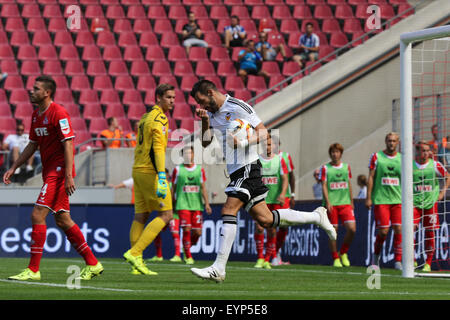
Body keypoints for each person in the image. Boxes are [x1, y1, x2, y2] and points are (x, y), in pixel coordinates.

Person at [189, 79, 336, 282]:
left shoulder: (238, 106)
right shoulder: (212, 114)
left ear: (211, 92)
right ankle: (317, 217)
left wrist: (242, 143)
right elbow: (205, 142)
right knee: (266, 219)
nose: (201, 105)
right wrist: (205, 119)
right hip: (236, 171)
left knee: (228, 210)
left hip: (247, 167)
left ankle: (219, 268)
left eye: (201, 100)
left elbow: (264, 132)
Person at [3, 75, 103, 281]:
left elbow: (68, 143)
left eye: (36, 88)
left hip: (58, 172)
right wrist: (14, 166)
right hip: (50, 171)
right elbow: (32, 144)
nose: (32, 91)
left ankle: (33, 270)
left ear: (47, 93)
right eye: (33, 88)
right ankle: (93, 263)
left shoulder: (59, 112)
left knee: (37, 215)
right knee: (63, 219)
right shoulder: (35, 115)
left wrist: (68, 175)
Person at [122, 84, 175, 276]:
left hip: (138, 169)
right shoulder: (160, 118)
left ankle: (137, 265)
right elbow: (158, 149)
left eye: (174, 97)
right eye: (168, 97)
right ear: (158, 97)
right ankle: (135, 253)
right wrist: (162, 175)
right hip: (150, 172)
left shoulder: (145, 117)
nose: (172, 101)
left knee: (141, 216)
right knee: (166, 214)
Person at [366, 132, 403, 270]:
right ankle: (376, 256)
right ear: (385, 141)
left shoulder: (402, 159)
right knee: (383, 232)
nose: (391, 143)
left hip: (397, 200)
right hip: (381, 199)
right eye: (389, 140)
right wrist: (368, 197)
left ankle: (398, 261)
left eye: (394, 141)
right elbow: (371, 177)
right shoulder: (376, 157)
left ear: (398, 142)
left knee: (399, 228)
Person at [171, 145, 212, 265]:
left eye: (190, 153)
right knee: (186, 229)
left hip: (197, 205)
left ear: (194, 155)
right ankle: (188, 256)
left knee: (198, 232)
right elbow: (173, 189)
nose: (188, 156)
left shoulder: (200, 170)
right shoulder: (178, 170)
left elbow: (203, 188)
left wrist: (207, 204)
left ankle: (187, 246)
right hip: (182, 204)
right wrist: (171, 204)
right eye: (185, 154)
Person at [413, 141, 450, 272]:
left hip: (430, 204)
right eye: (423, 150)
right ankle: (411, 260)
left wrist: (442, 193)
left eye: (428, 150)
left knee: (430, 233)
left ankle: (428, 263)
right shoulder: (410, 166)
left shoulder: (435, 165)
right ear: (417, 151)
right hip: (414, 204)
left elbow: (448, 177)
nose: (426, 153)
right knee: (409, 230)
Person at [254, 132, 289, 269]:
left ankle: (268, 259)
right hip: (261, 199)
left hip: (275, 200)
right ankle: (260, 258)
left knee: (272, 230)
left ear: (274, 145)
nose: (267, 146)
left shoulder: (280, 160)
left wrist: (282, 194)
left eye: (270, 144)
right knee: (259, 227)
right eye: (265, 144)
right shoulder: (257, 160)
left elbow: (285, 179)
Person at [320, 143, 356, 267]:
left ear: (341, 153)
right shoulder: (325, 168)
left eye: (337, 152)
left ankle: (343, 252)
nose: (335, 154)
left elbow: (349, 183)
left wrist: (351, 201)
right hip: (332, 205)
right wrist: (328, 202)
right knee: (333, 232)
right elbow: (323, 185)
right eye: (333, 152)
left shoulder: (346, 167)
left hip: (345, 203)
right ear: (330, 154)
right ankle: (335, 258)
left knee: (352, 229)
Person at [147, 169, 183, 264]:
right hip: (163, 214)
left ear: (168, 175)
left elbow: (176, 198)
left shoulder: (172, 186)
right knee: (156, 232)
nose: (163, 177)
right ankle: (159, 256)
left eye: (164, 175)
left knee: (175, 234)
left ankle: (177, 255)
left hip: (173, 214)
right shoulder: (160, 187)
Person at [272, 136, 295, 266]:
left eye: (275, 143)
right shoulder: (264, 158)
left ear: (279, 145)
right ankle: (273, 254)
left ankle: (276, 251)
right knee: (272, 225)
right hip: (271, 197)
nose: (273, 146)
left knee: (284, 225)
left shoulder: (286, 156)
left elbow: (291, 177)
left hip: (284, 196)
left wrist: (293, 195)